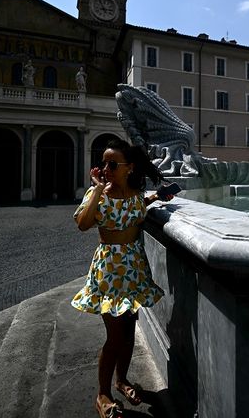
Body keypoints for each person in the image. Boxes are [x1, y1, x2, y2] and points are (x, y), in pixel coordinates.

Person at [72, 138, 172, 418]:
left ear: (129, 168)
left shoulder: (136, 194)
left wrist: (158, 197)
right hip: (109, 271)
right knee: (114, 336)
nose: (105, 169)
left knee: (128, 331)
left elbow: (138, 205)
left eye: (112, 164)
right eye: (104, 163)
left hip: (134, 269)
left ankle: (122, 381)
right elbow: (83, 224)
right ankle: (102, 394)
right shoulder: (99, 194)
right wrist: (96, 188)